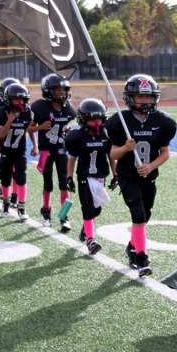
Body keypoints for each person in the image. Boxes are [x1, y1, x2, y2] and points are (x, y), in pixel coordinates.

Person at [105, 74, 177, 277]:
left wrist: (151, 166)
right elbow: (113, 153)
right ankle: (141, 257)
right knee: (138, 215)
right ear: (130, 98)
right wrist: (126, 148)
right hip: (127, 175)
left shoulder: (163, 121)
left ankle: (132, 246)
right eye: (140, 96)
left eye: (148, 96)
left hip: (148, 176)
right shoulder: (120, 121)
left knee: (146, 215)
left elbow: (165, 153)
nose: (145, 100)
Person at [64, 98, 118, 255]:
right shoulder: (77, 137)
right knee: (88, 208)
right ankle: (91, 240)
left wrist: (115, 174)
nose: (96, 122)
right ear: (83, 120)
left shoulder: (107, 136)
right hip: (84, 176)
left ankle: (85, 229)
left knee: (97, 209)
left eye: (99, 118)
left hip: (100, 175)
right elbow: (72, 158)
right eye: (92, 119)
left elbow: (111, 156)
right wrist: (69, 177)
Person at [28, 74, 76, 231]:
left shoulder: (67, 108)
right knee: (48, 183)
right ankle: (46, 210)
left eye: (63, 89)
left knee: (64, 184)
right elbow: (28, 128)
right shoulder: (40, 107)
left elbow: (63, 126)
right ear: (48, 91)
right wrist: (39, 128)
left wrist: (67, 130)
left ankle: (64, 216)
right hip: (46, 150)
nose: (61, 93)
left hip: (61, 149)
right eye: (57, 89)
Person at [0, 83, 37, 220]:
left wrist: (35, 145)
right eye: (16, 100)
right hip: (6, 150)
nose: (20, 102)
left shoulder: (28, 112)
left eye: (22, 99)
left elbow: (29, 130)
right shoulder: (1, 112)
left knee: (21, 178)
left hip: (20, 151)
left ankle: (21, 207)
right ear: (8, 99)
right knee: (5, 180)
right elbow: (1, 134)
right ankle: (6, 203)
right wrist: (10, 120)